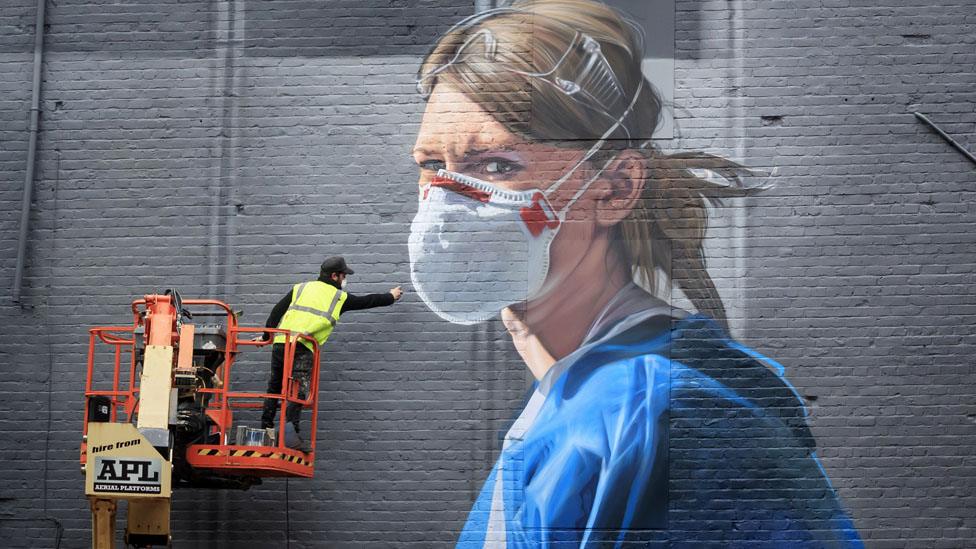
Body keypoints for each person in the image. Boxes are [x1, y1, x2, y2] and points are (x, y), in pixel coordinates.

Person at [409, 1, 863, 546]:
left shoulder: (658, 416)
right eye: (433, 166)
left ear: (617, 188)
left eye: (500, 166)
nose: (446, 200)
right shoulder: (578, 393)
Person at [261, 256, 403, 452]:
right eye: (343, 275)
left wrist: (265, 336)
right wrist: (390, 296)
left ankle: (265, 430)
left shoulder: (301, 287)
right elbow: (367, 301)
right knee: (298, 391)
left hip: (281, 343)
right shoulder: (338, 297)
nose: (345, 279)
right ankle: (290, 435)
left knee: (275, 387)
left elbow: (276, 312)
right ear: (334, 275)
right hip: (302, 347)